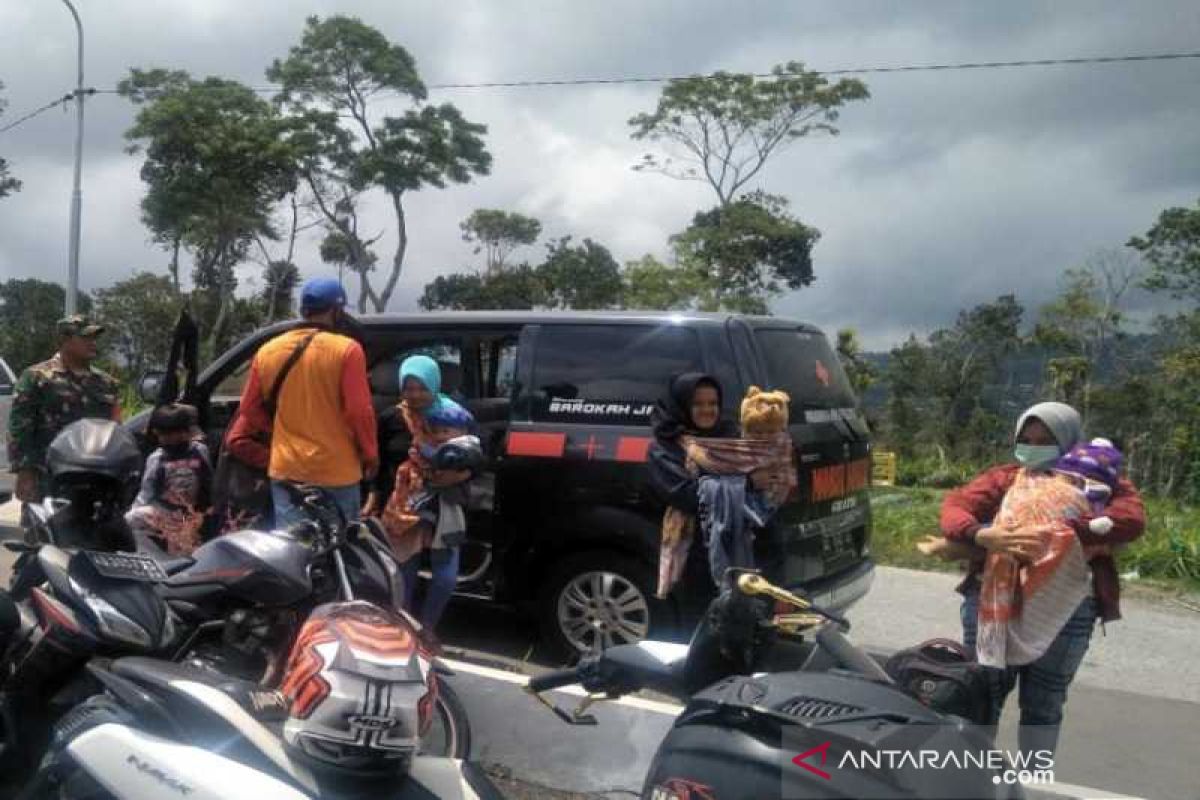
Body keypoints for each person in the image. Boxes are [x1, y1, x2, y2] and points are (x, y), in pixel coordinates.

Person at [939, 401, 1145, 757]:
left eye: (1044, 440)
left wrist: (1056, 530)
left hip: (1067, 609)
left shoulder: (1103, 482)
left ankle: (1035, 781)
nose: (1033, 447)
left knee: (1044, 707)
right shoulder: (1004, 477)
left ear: (1068, 441)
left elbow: (1130, 520)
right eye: (1027, 438)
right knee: (981, 698)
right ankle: (973, 782)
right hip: (994, 601)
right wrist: (980, 534)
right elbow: (955, 508)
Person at [230, 278, 378, 529]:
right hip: (337, 469)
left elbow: (248, 409)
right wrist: (370, 454)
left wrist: (279, 434)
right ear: (337, 310)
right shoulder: (347, 349)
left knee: (295, 551)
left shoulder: (267, 350)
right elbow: (358, 411)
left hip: (288, 470)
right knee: (340, 549)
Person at [374, 355, 477, 629]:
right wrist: (374, 496)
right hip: (404, 503)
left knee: (445, 576)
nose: (415, 395)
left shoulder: (454, 413)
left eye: (422, 387)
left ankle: (428, 628)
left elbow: (476, 454)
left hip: (446, 502)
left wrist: (462, 474)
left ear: (434, 385)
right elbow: (376, 461)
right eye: (408, 388)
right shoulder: (391, 417)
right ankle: (405, 627)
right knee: (405, 570)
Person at [7, 315, 121, 505]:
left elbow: (116, 429)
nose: (92, 343)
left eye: (94, 338)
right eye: (85, 337)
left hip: (96, 476)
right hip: (48, 475)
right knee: (44, 532)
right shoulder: (37, 377)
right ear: (64, 341)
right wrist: (25, 471)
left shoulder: (106, 383)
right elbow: (20, 427)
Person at [646, 373, 739, 599]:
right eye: (697, 404)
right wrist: (748, 485)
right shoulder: (664, 447)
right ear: (681, 406)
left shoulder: (731, 437)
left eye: (713, 403)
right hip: (692, 552)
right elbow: (687, 496)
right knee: (699, 623)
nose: (708, 410)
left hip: (736, 547)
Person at [126, 404, 212, 556]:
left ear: (187, 432)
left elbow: (208, 481)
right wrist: (133, 511)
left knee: (183, 551)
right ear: (157, 434)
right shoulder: (157, 459)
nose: (172, 439)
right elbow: (146, 491)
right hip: (164, 512)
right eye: (166, 435)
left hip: (191, 515)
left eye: (177, 433)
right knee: (131, 518)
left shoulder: (200, 451)